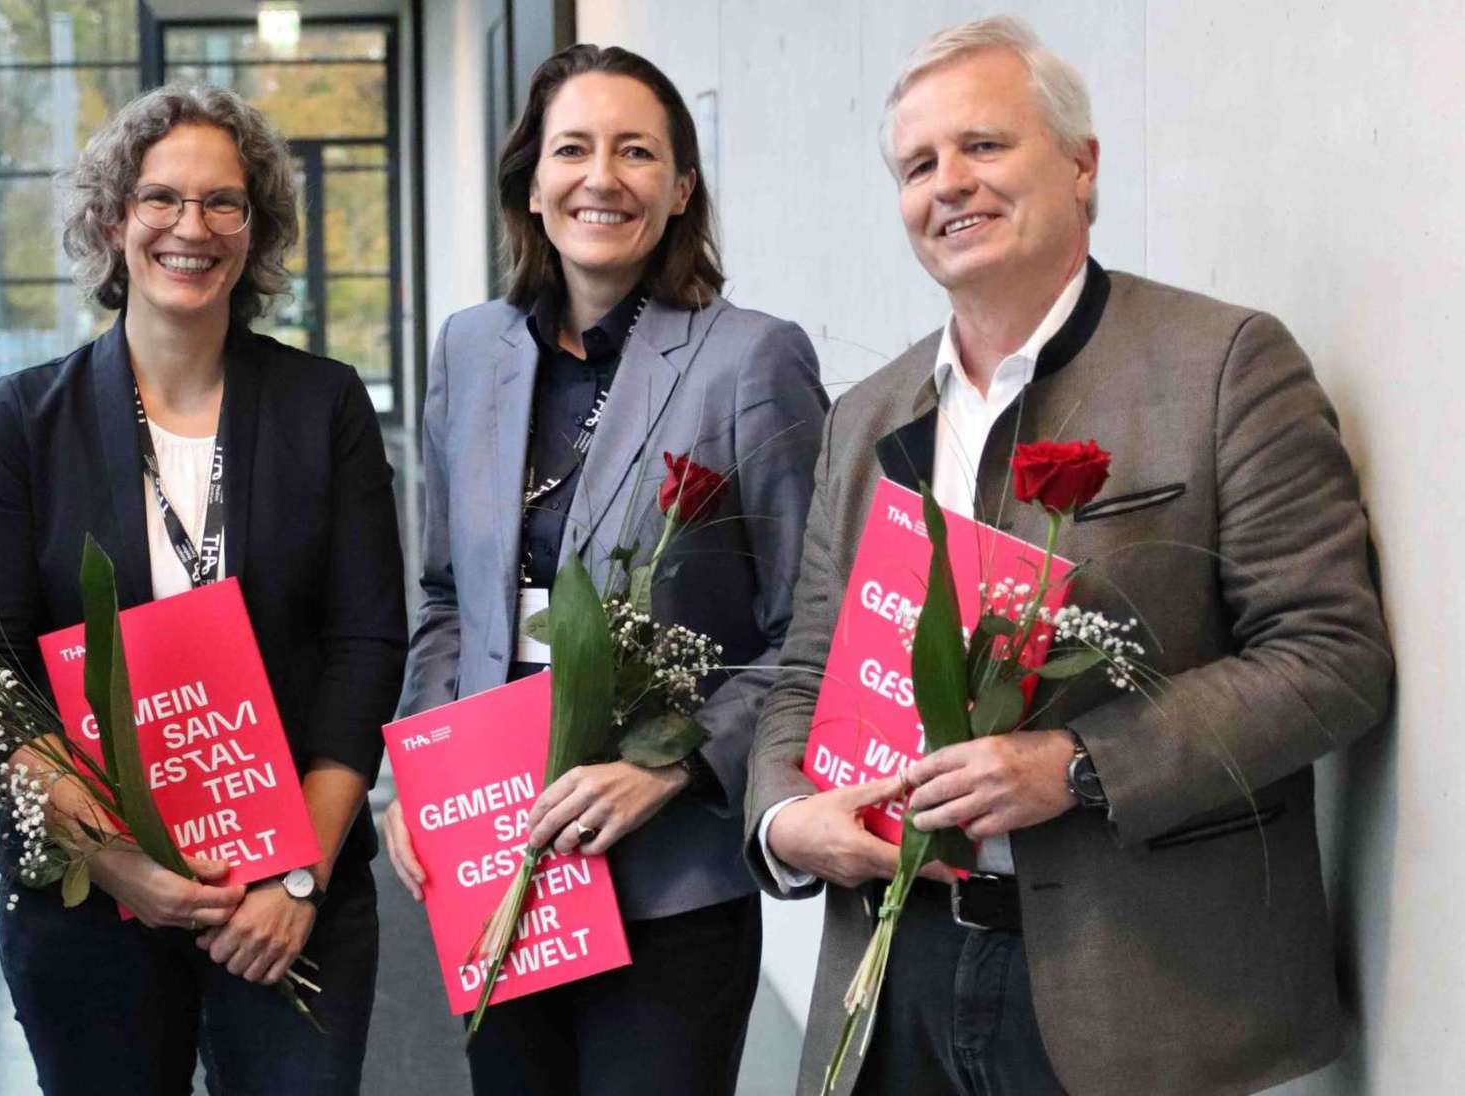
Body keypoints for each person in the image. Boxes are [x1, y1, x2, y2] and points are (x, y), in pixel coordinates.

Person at [747, 16, 1393, 1096]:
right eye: (917, 164)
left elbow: (1332, 657)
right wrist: (783, 814)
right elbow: (806, 669)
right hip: (897, 969)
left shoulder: (1222, 364)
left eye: (984, 145)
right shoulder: (864, 419)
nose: (948, 182)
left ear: (1081, 164)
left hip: (1138, 991)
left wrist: (1079, 765)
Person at [0, 84, 405, 1096]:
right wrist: (117, 863)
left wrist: (295, 878)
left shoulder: (322, 406)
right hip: (85, 906)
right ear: (114, 222)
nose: (190, 228)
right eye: (160, 199)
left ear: (256, 231)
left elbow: (365, 647)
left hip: (291, 901)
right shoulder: (24, 419)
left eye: (223, 203)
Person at [384, 44, 828, 1094]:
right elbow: (447, 592)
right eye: (572, 149)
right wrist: (418, 772)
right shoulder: (471, 350)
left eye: (637, 152)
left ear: (680, 189)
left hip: (671, 874)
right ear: (530, 185)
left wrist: (673, 766)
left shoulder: (752, 359)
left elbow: (809, 622)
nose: (602, 177)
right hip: (496, 857)